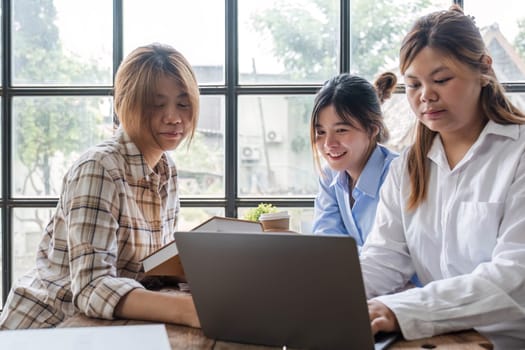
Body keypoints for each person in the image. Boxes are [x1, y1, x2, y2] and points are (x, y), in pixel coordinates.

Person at [0, 43, 201, 329]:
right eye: (157, 104)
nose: (173, 117)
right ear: (126, 103)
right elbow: (92, 288)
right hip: (46, 327)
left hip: (96, 329)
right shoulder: (99, 167)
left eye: (183, 103)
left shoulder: (166, 170)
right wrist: (187, 310)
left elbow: (147, 267)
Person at [362, 5, 525, 348]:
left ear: (484, 68)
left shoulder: (519, 154)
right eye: (413, 85)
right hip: (446, 340)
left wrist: (399, 309)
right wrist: (325, 296)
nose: (426, 96)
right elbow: (383, 258)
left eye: (441, 80)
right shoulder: (407, 167)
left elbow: (514, 277)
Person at [310, 72, 398, 248]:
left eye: (341, 130)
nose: (329, 144)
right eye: (321, 132)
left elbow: (391, 256)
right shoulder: (329, 177)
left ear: (372, 129)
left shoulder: (398, 175)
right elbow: (326, 243)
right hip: (350, 275)